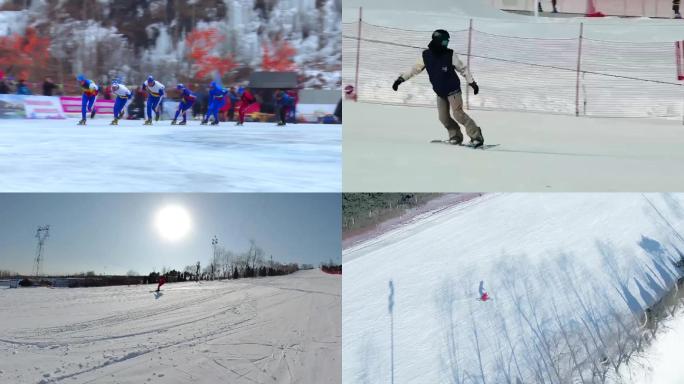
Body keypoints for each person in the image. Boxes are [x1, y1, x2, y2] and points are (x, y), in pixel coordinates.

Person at [392, 29, 484, 148]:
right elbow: (414, 69)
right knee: (443, 118)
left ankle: (476, 136)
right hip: (440, 92)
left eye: (447, 42)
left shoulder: (450, 54)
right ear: (437, 41)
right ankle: (455, 136)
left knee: (458, 114)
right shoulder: (426, 55)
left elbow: (463, 69)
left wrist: (472, 82)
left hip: (453, 90)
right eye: (445, 42)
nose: (447, 44)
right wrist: (400, 79)